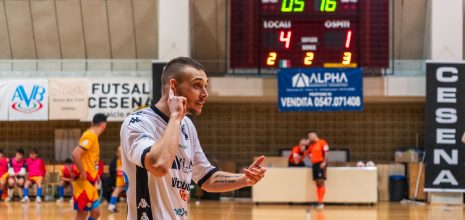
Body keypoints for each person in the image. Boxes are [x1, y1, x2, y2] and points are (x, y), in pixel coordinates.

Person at [120, 57, 267, 219]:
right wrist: (175, 116)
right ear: (173, 87)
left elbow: (206, 178)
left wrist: (245, 179)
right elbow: (159, 165)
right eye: (197, 85)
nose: (205, 94)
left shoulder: (187, 125)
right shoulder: (138, 122)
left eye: (205, 86)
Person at [71, 113, 107, 220]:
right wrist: (82, 171)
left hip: (91, 183)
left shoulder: (93, 137)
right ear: (103, 125)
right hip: (84, 183)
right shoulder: (90, 135)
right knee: (82, 214)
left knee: (96, 212)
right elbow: (75, 154)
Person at [307, 131, 329, 209]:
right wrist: (311, 159)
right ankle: (319, 201)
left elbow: (326, 152)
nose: (309, 138)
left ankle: (321, 202)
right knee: (317, 182)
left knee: (321, 181)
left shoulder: (322, 142)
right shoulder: (311, 145)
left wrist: (324, 162)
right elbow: (308, 153)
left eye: (310, 136)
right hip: (315, 164)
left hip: (321, 163)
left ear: (315, 135)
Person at [108, 146, 124, 213]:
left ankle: (111, 206)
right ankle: (111, 206)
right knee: (118, 189)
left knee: (119, 189)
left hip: (122, 171)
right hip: (122, 172)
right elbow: (120, 149)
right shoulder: (121, 149)